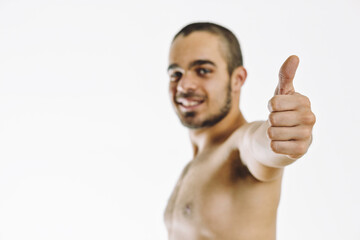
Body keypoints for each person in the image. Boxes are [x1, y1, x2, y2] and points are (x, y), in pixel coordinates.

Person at [163, 22, 316, 240]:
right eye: (176, 73)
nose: (184, 85)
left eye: (203, 70)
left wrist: (284, 133)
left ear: (237, 79)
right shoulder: (197, 162)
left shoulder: (239, 147)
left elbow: (260, 146)